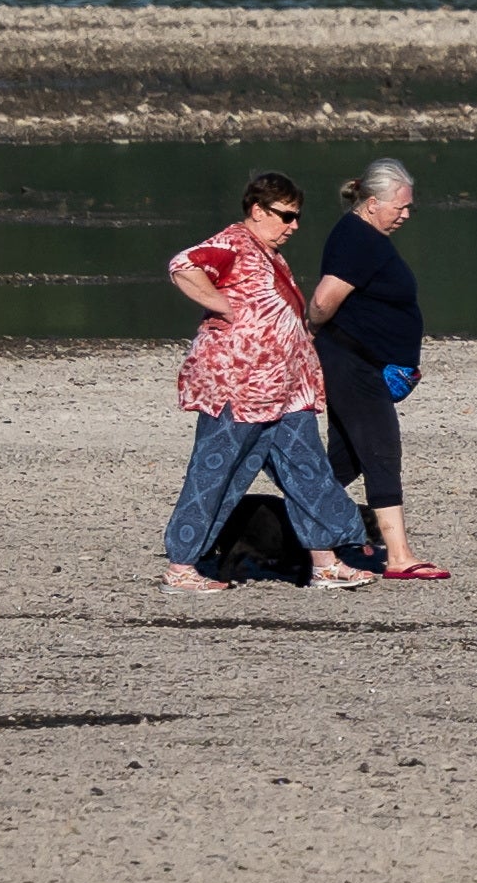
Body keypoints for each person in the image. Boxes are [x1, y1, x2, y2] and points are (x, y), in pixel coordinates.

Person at [158, 172, 381, 593]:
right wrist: (224, 309)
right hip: (238, 389)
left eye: (297, 217)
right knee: (216, 470)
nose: (294, 225)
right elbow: (183, 265)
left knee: (308, 468)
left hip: (284, 389)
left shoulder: (268, 253)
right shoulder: (233, 243)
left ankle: (325, 561)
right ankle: (182, 566)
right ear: (258, 211)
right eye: (286, 216)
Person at [306, 157, 448, 582]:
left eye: (409, 208)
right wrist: (307, 333)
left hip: (358, 362)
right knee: (382, 450)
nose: (405, 215)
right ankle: (399, 555)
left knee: (343, 462)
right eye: (399, 207)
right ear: (371, 203)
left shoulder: (363, 235)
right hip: (353, 364)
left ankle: (307, 536)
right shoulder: (358, 239)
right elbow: (322, 300)